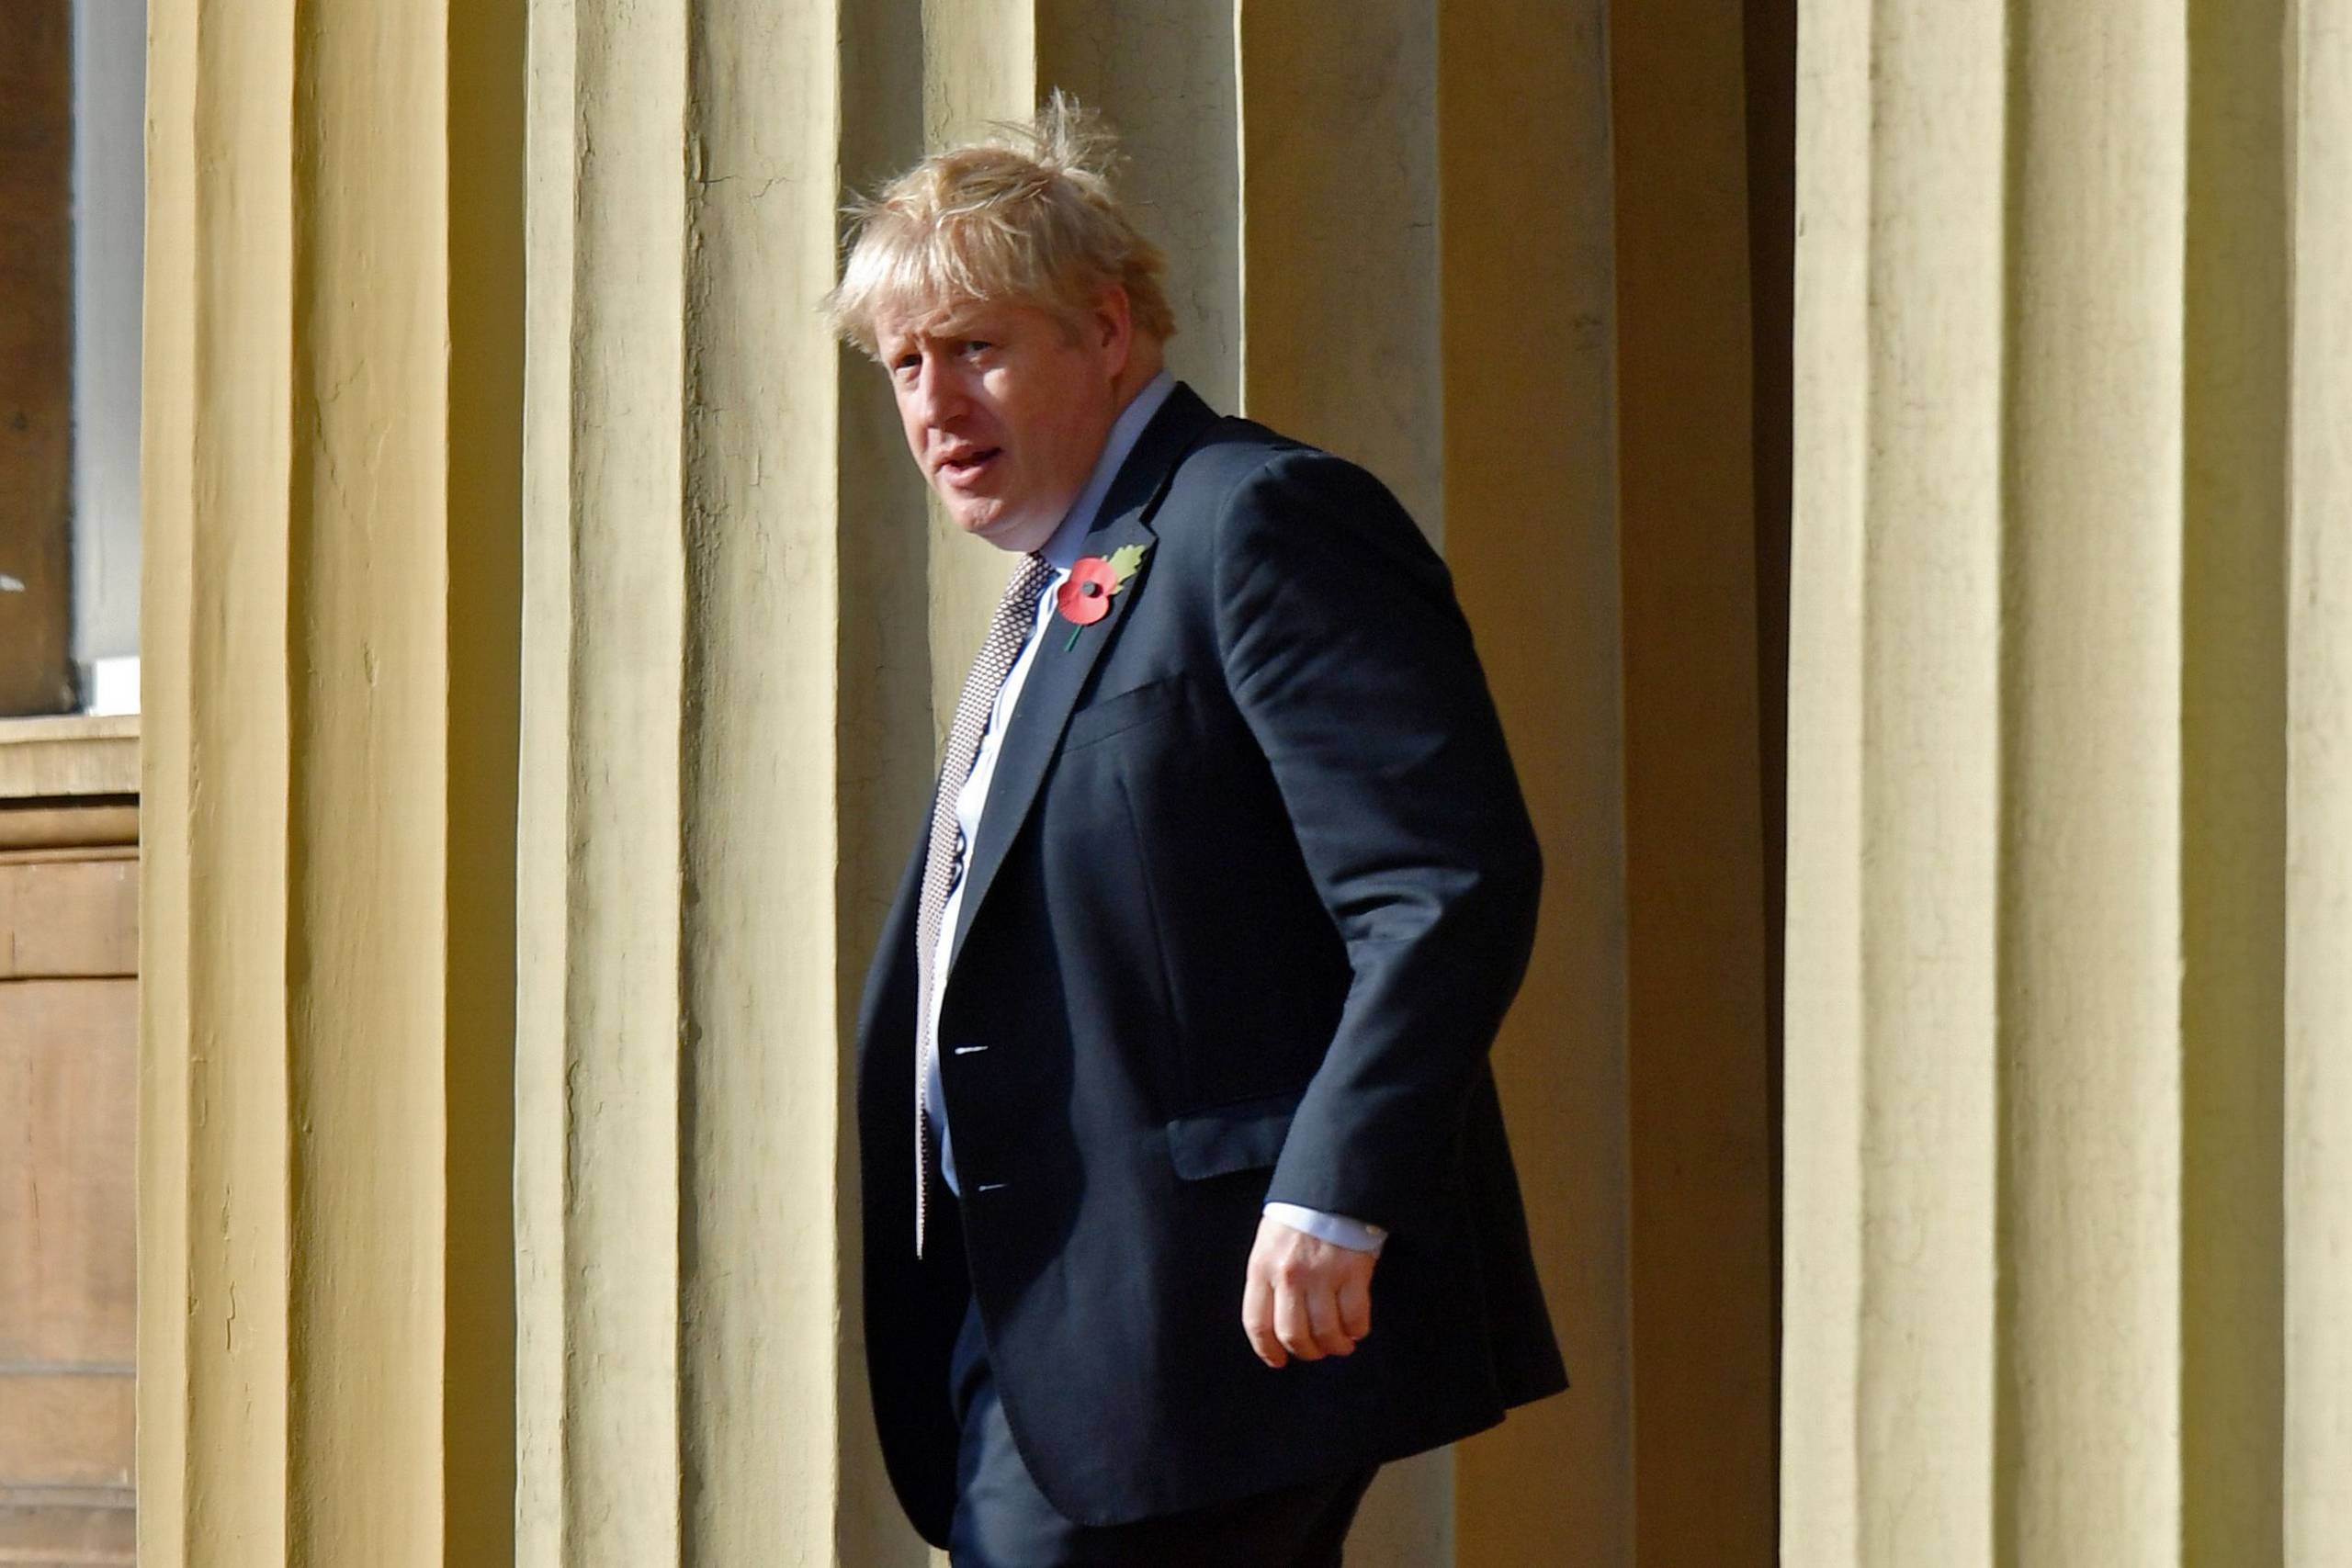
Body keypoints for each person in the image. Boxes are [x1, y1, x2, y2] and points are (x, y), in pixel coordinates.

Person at [829, 95, 1566, 1566]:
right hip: (1050, 1315)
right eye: (905, 365)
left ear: (1109, 332)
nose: (932, 404)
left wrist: (1336, 1187)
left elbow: (1439, 882)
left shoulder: (1256, 519)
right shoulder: (1062, 592)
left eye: (975, 345)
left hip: (1208, 1309)